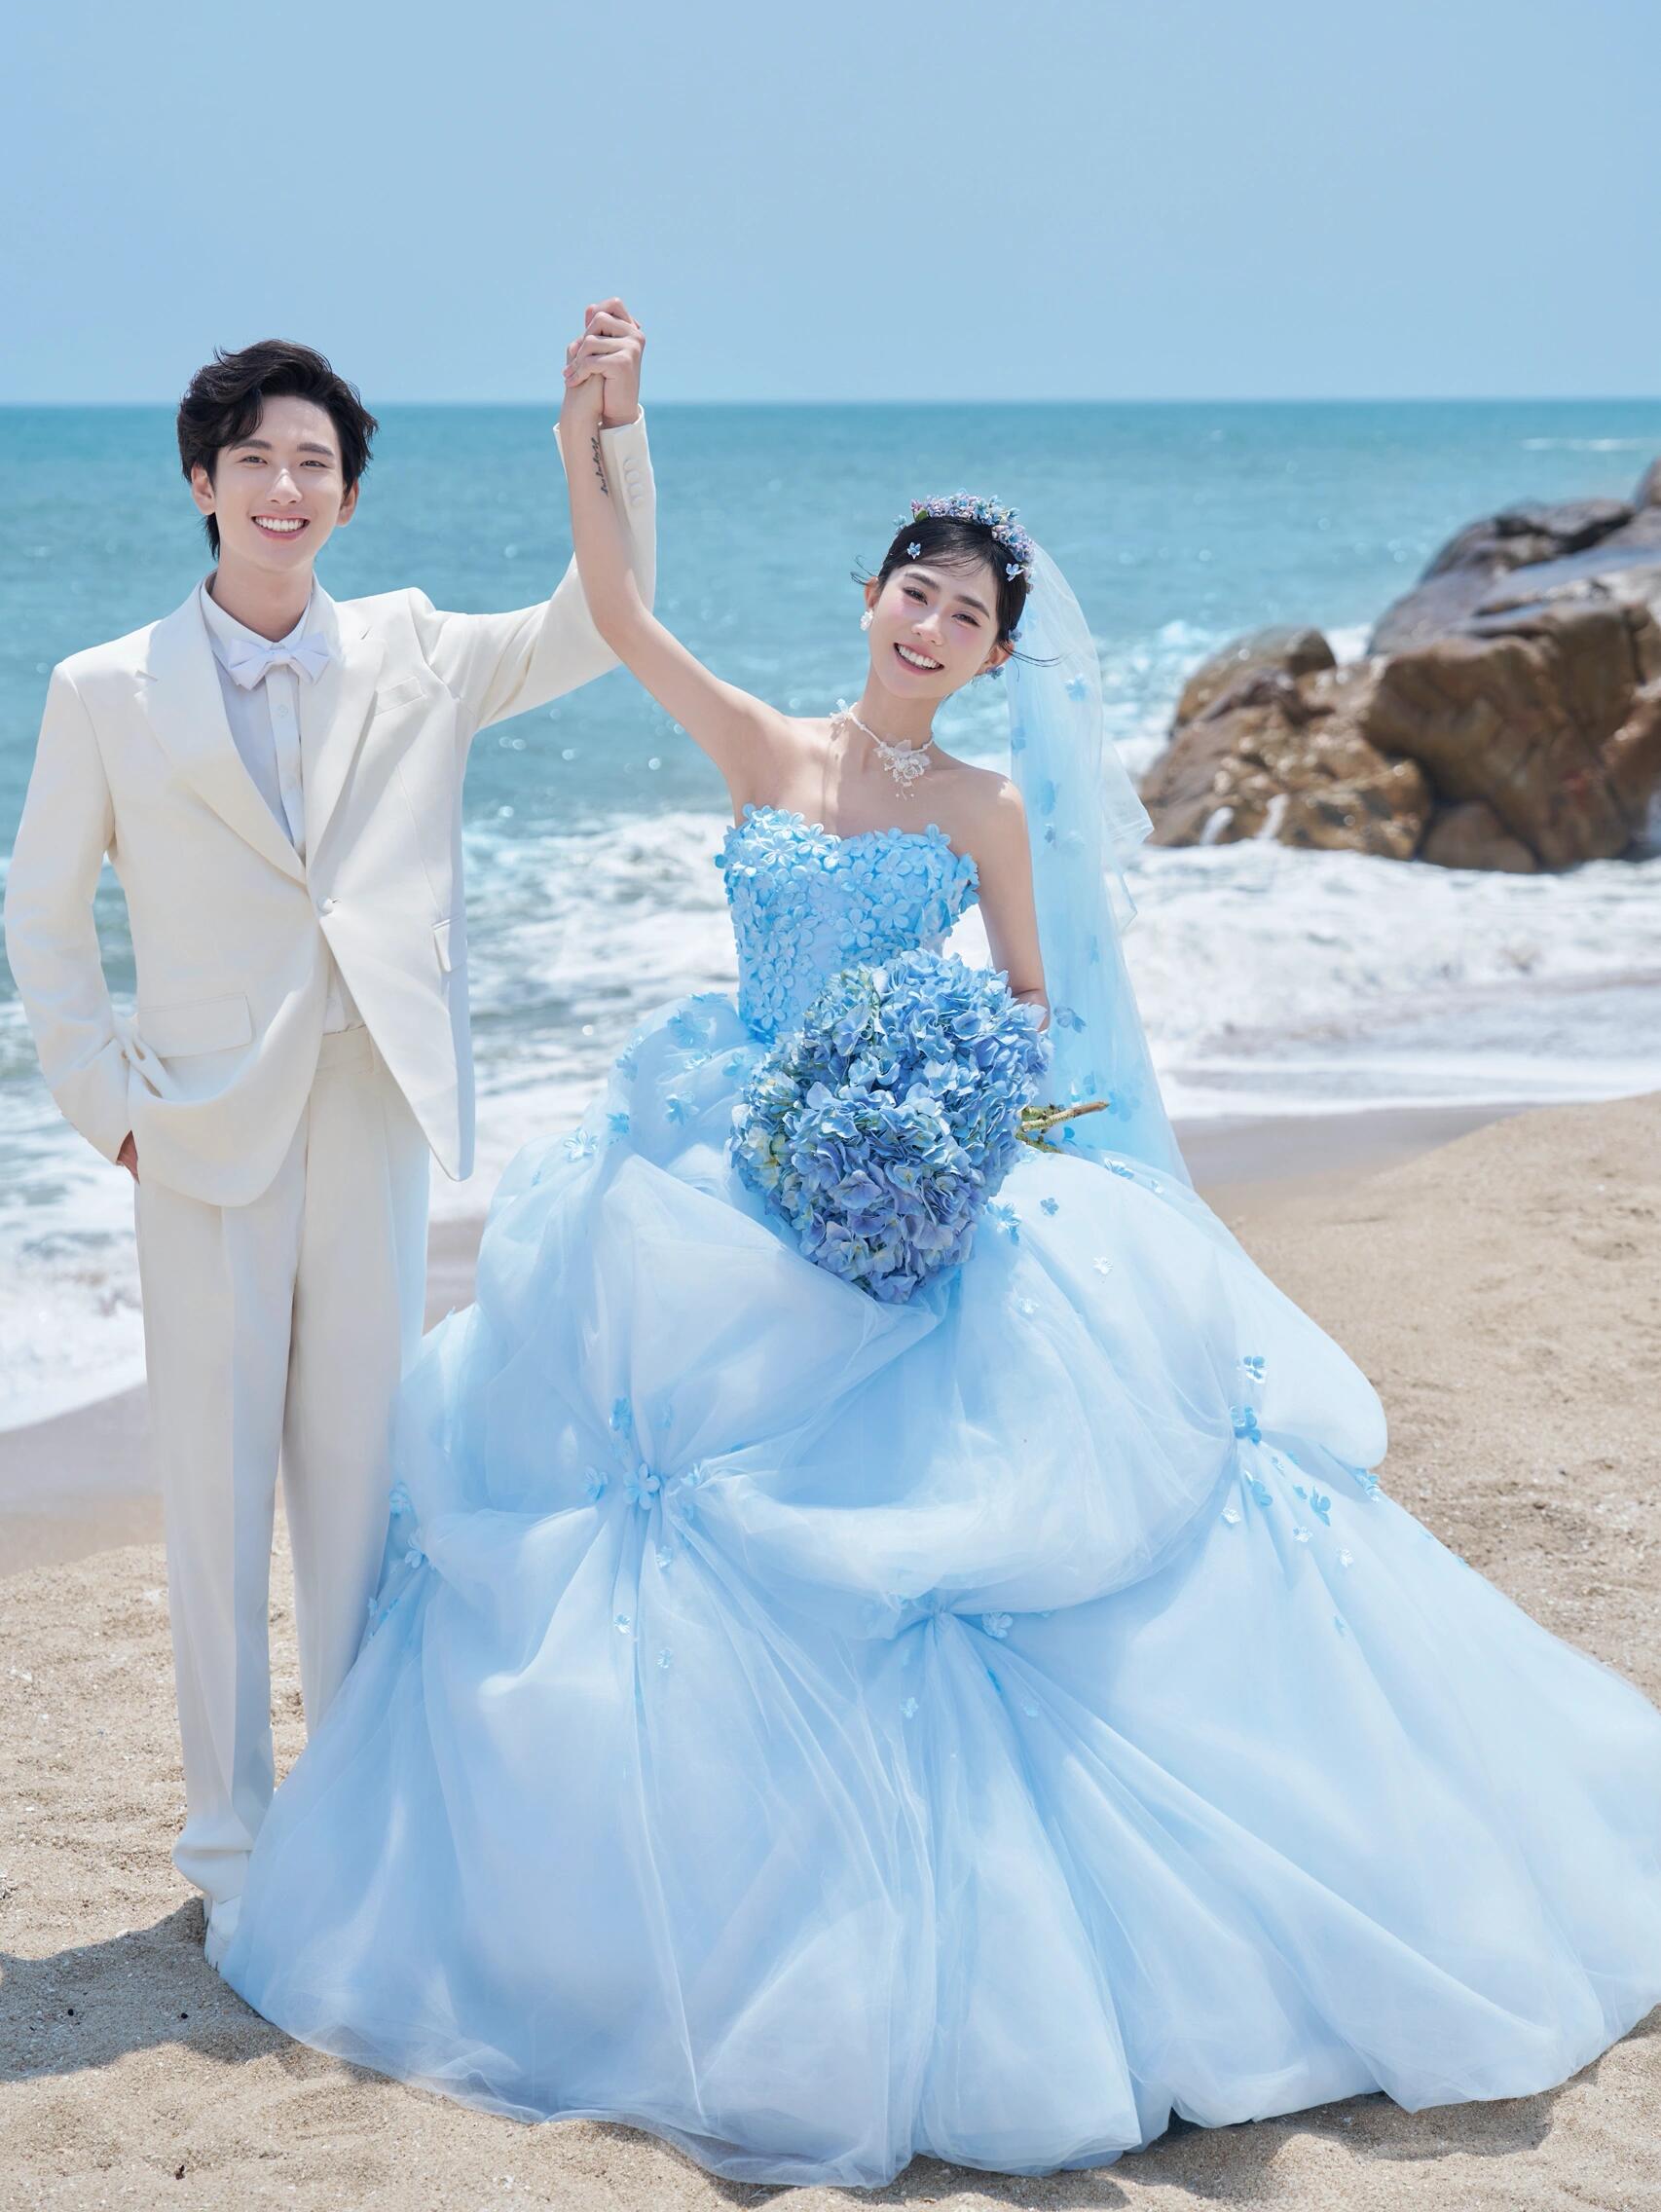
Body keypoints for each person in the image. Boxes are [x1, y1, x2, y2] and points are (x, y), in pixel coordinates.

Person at [215, 324, 1661, 2187]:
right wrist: (598, 426)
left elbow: (1038, 1005)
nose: (931, 626)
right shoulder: (764, 747)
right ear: (871, 598)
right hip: (724, 1174)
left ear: (992, 657)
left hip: (910, 1190)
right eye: (916, 592)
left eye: (968, 617)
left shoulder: (985, 812)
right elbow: (619, 608)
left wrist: (949, 1110)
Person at [2, 302, 656, 1972]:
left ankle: (355, 1831)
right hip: (196, 1133)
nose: (284, 487)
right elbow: (43, 916)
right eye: (256, 461)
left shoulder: (419, 651)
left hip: (373, 1109)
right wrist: (107, 1107)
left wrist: (602, 435)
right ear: (202, 484)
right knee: (214, 1502)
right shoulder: (102, 688)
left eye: (314, 463)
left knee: (361, 1491)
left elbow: (603, 621)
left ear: (348, 497)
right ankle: (231, 1849)